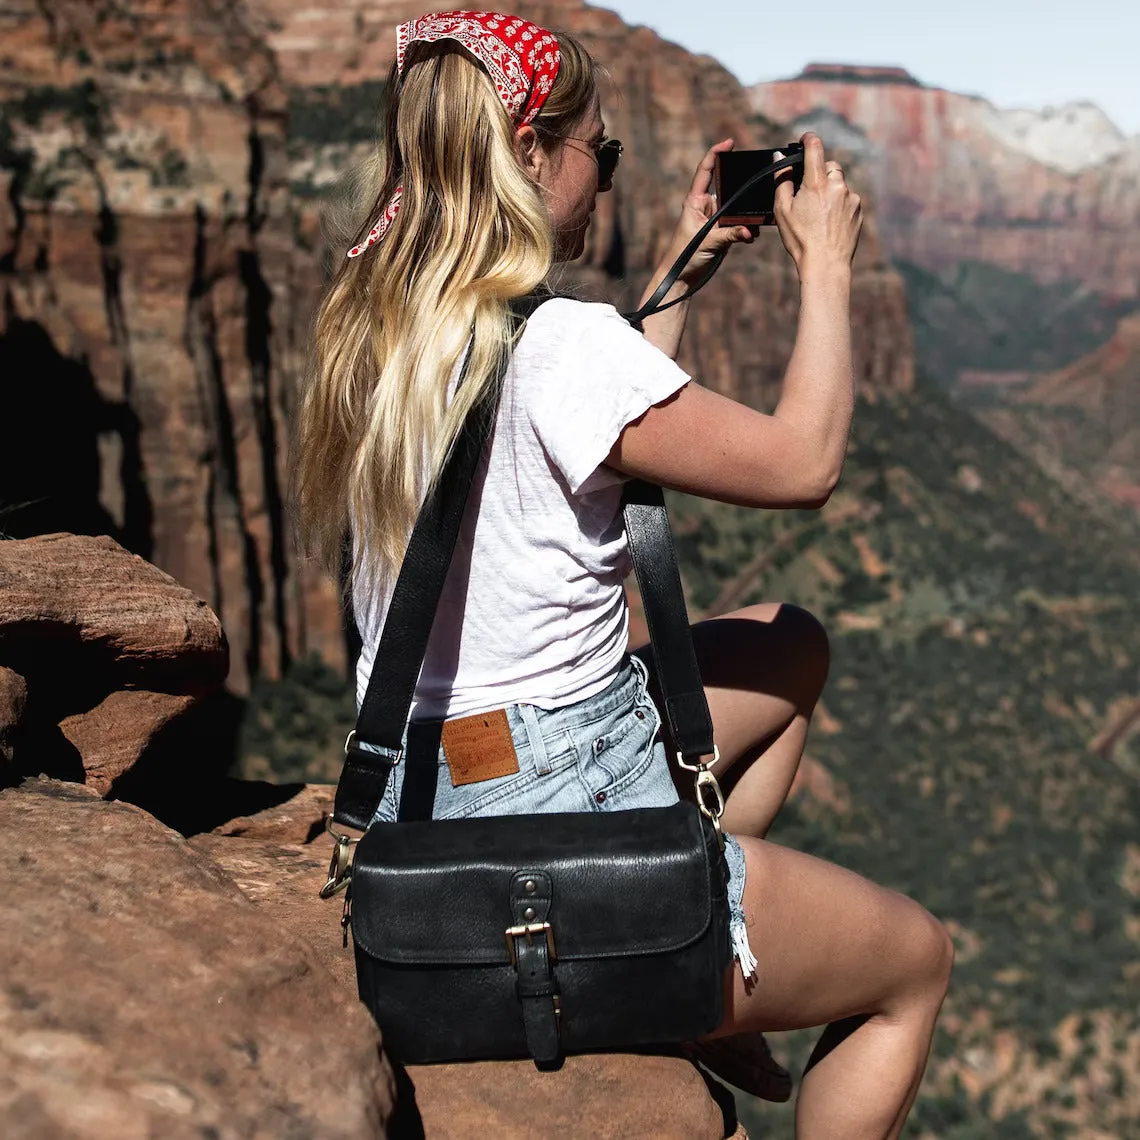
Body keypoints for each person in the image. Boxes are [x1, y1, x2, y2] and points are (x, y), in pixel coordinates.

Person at [296, 12, 953, 1138]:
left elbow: (586, 419)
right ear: (532, 153)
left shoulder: (383, 321)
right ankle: (671, 952)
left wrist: (685, 267)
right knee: (913, 966)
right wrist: (829, 271)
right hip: (560, 787)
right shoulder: (562, 346)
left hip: (427, 774)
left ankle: (692, 980)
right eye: (602, 152)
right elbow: (806, 465)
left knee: (787, 642)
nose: (607, 178)